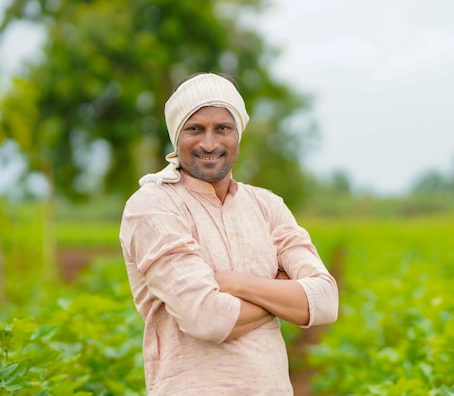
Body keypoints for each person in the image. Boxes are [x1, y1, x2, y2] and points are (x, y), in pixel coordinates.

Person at [119, 72, 339, 395]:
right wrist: (282, 294)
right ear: (176, 135)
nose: (210, 143)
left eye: (222, 128)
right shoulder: (153, 205)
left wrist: (234, 283)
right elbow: (207, 317)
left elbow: (325, 300)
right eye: (195, 129)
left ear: (238, 133)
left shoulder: (267, 205)